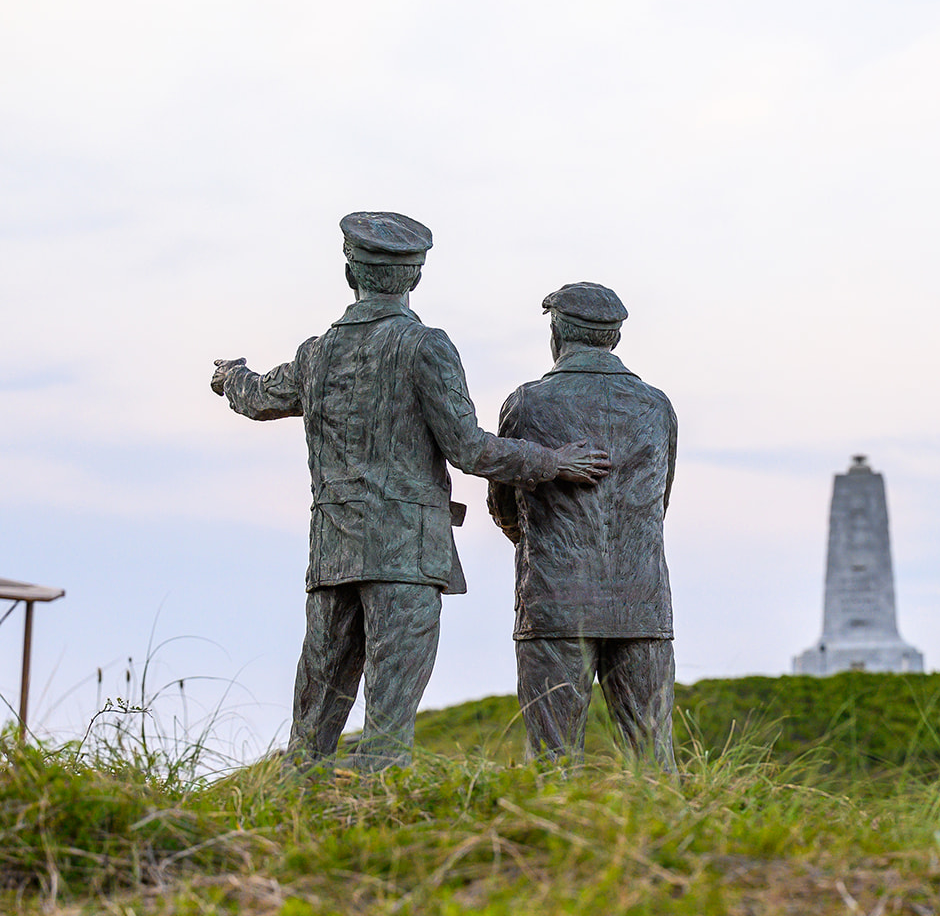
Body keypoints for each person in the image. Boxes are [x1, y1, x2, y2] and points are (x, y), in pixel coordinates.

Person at [211, 212, 610, 771]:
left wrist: (231, 375)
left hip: (334, 553)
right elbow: (470, 450)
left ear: (350, 269)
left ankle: (294, 826)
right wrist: (553, 461)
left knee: (313, 722)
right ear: (414, 277)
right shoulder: (425, 347)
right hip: (405, 554)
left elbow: (257, 398)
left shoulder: (317, 354)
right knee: (388, 728)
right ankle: (378, 829)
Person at [487, 282, 678, 771]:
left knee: (553, 761)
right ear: (614, 338)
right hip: (641, 600)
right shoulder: (657, 407)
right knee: (653, 761)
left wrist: (537, 543)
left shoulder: (528, 403)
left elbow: (502, 502)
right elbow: (659, 503)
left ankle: (555, 844)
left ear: (556, 333)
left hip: (555, 601)